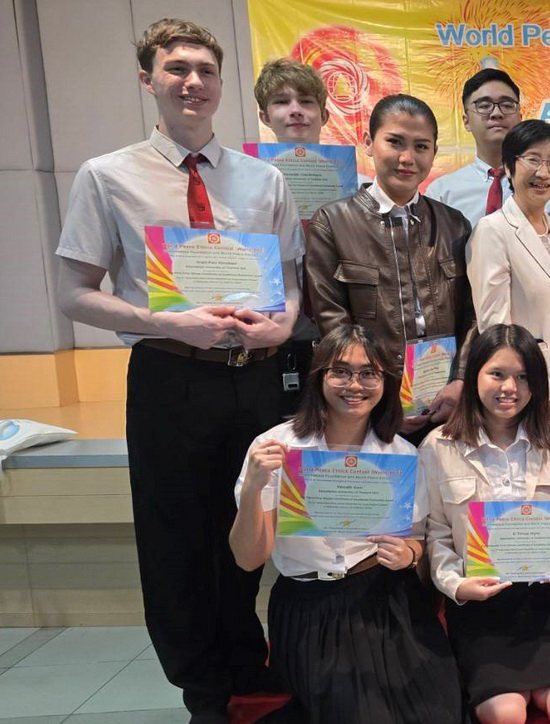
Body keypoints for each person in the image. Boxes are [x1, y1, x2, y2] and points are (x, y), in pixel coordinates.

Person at [54, 19, 303, 723]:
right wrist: (165, 321)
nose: (192, 82)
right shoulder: (108, 175)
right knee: (177, 535)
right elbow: (73, 294)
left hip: (253, 375)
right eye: (176, 69)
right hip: (170, 374)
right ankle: (202, 683)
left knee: (253, 518)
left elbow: (289, 283)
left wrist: (281, 327)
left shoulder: (263, 179)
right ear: (148, 80)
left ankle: (248, 652)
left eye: (205, 70)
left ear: (222, 84)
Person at [228, 325, 463, 723]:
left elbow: (417, 541)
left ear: (385, 383)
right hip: (310, 608)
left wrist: (408, 555)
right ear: (318, 377)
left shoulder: (400, 454)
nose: (355, 385)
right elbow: (248, 559)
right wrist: (253, 488)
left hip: (385, 600)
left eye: (368, 373)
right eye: (340, 371)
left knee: (437, 711)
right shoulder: (277, 448)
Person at [423, 324, 550, 724]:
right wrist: (457, 586)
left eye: (523, 377)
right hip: (480, 602)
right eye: (497, 374)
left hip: (544, 600)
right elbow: (438, 536)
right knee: (506, 714)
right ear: (475, 375)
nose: (510, 388)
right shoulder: (438, 446)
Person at [305, 94, 474, 440]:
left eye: (421, 146)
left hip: (447, 402)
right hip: (367, 406)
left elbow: (472, 315)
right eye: (395, 142)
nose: (407, 158)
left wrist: (460, 380)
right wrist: (377, 396)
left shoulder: (454, 224)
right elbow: (332, 323)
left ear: (434, 153)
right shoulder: (332, 222)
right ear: (369, 143)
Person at [465, 119, 550, 530]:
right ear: (509, 167)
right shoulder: (493, 230)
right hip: (528, 394)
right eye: (532, 160)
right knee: (531, 508)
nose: (543, 172)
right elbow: (494, 327)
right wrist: (546, 389)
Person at [252, 57, 331, 416]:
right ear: (265, 117)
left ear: (324, 114)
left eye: (306, 101)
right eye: (282, 102)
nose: (295, 110)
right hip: (273, 335)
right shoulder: (248, 187)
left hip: (339, 331)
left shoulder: (359, 186)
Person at [427, 68, 550, 226]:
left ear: (520, 118)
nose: (496, 113)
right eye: (484, 105)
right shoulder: (441, 192)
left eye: (507, 105)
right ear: (466, 121)